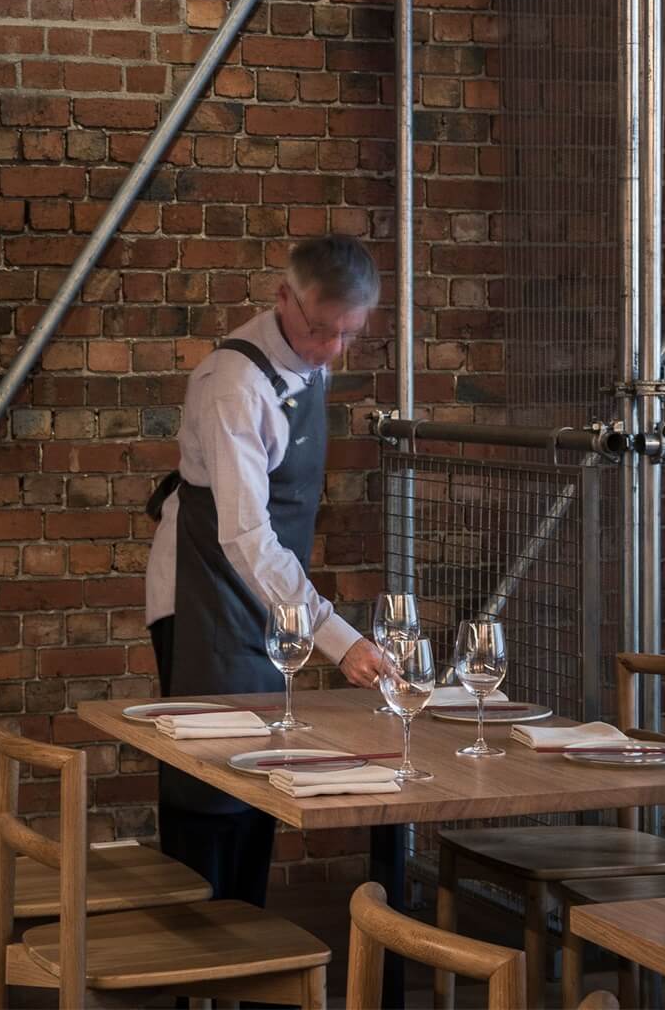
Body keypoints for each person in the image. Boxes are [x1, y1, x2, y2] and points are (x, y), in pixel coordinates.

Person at [144, 234, 384, 906]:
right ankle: (193, 970)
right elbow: (246, 532)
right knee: (208, 785)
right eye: (319, 330)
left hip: (261, 596)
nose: (331, 349)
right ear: (283, 298)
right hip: (204, 595)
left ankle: (249, 958)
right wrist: (337, 637)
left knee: (259, 782)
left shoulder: (313, 360)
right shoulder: (235, 384)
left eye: (348, 335)